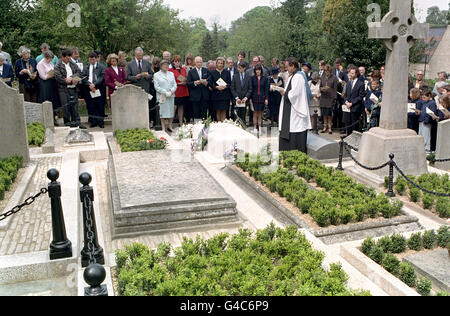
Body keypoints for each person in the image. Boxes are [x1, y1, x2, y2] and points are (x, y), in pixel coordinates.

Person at [279, 57, 311, 152]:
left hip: (295, 111)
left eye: (287, 66)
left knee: (295, 129)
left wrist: (284, 93)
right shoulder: (293, 76)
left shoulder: (298, 76)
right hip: (290, 108)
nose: (286, 69)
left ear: (293, 66)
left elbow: (295, 94)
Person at [54, 49, 85, 129]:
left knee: (75, 105)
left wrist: (72, 78)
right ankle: (68, 122)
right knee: (66, 106)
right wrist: (68, 81)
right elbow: (58, 77)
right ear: (62, 57)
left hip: (74, 88)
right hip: (63, 89)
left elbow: (79, 72)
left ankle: (77, 121)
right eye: (67, 58)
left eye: (69, 58)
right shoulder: (58, 65)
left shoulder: (72, 64)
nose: (69, 59)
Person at [82, 52, 106, 128]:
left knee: (100, 105)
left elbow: (102, 77)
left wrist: (94, 84)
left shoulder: (101, 67)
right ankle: (93, 121)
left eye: (93, 59)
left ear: (96, 59)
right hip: (89, 88)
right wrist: (89, 85)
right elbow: (84, 77)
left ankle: (100, 121)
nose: (92, 61)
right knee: (91, 105)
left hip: (98, 88)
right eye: (90, 59)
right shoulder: (86, 67)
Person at [154, 60, 177, 132]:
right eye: (164, 65)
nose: (166, 66)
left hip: (170, 95)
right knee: (162, 112)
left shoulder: (171, 74)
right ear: (161, 66)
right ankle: (163, 127)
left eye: (167, 65)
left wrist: (171, 91)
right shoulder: (156, 75)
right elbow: (156, 87)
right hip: (162, 96)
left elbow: (175, 85)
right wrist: (165, 92)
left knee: (171, 111)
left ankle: (170, 126)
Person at [37, 50, 60, 121]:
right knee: (47, 99)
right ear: (46, 57)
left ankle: (54, 118)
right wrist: (50, 75)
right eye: (49, 58)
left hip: (52, 83)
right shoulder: (40, 64)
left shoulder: (50, 63)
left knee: (54, 100)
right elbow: (43, 76)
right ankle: (47, 118)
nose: (50, 60)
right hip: (45, 84)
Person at [343, 66, 365, 136]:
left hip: (355, 108)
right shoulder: (349, 83)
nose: (350, 74)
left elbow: (360, 96)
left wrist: (352, 103)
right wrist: (346, 102)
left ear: (356, 74)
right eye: (350, 73)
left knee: (354, 127)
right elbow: (346, 95)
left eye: (352, 73)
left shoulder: (361, 84)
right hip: (347, 108)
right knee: (348, 125)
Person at [209, 57, 232, 122]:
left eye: (221, 63)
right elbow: (210, 83)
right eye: (219, 63)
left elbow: (230, 83)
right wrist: (216, 87)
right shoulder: (212, 72)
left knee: (224, 111)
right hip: (216, 95)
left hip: (225, 95)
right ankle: (218, 125)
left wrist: (225, 86)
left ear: (223, 64)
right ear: (216, 64)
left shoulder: (227, 72)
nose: (220, 64)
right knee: (217, 111)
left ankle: (223, 126)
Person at [169, 55, 190, 126]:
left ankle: (181, 123)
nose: (177, 63)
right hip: (176, 91)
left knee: (181, 107)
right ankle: (170, 124)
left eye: (178, 61)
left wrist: (185, 81)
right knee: (174, 108)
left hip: (183, 90)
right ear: (173, 62)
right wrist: (179, 83)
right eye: (175, 61)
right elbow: (170, 81)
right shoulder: (170, 70)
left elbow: (186, 78)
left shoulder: (183, 69)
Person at [250, 64, 269, 133]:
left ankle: (260, 128)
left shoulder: (265, 78)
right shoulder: (252, 78)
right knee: (255, 113)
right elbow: (251, 89)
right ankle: (255, 128)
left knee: (260, 114)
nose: (258, 71)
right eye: (256, 70)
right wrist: (250, 99)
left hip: (262, 98)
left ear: (261, 71)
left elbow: (266, 89)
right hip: (254, 98)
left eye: (259, 70)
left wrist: (266, 99)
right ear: (255, 71)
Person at [319, 64, 337, 134]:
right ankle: (324, 127)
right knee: (324, 114)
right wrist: (321, 89)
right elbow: (320, 87)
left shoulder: (334, 78)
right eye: (325, 71)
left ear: (330, 71)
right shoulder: (322, 77)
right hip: (323, 97)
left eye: (328, 71)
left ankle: (330, 128)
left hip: (330, 98)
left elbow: (335, 89)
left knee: (329, 114)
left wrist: (334, 98)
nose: (326, 72)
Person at [418, 89, 437, 154]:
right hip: (421, 121)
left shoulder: (432, 103)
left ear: (429, 96)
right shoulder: (424, 103)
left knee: (426, 138)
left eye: (424, 97)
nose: (423, 99)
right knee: (421, 137)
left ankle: (427, 152)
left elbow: (431, 113)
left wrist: (426, 121)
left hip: (426, 123)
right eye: (422, 97)